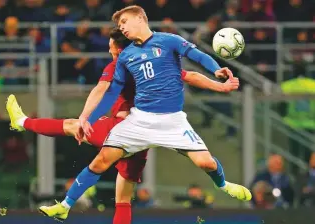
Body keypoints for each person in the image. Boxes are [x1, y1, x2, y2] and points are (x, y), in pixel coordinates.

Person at [36, 12, 246, 219]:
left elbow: (197, 57)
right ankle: (65, 205)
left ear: (141, 19)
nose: (122, 27)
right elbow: (110, 94)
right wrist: (87, 120)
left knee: (205, 163)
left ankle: (223, 184)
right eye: (120, 24)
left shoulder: (169, 41)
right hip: (140, 120)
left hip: (172, 121)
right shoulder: (126, 57)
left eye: (125, 21)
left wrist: (217, 71)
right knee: (100, 161)